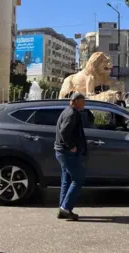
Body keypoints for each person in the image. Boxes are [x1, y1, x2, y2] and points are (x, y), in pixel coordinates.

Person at [54, 92, 87, 221]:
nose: (84, 104)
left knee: (66, 179)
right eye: (83, 101)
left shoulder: (68, 111)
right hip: (67, 152)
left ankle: (63, 209)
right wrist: (71, 146)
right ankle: (66, 208)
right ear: (75, 101)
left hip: (61, 152)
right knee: (77, 179)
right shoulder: (71, 113)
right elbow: (64, 131)